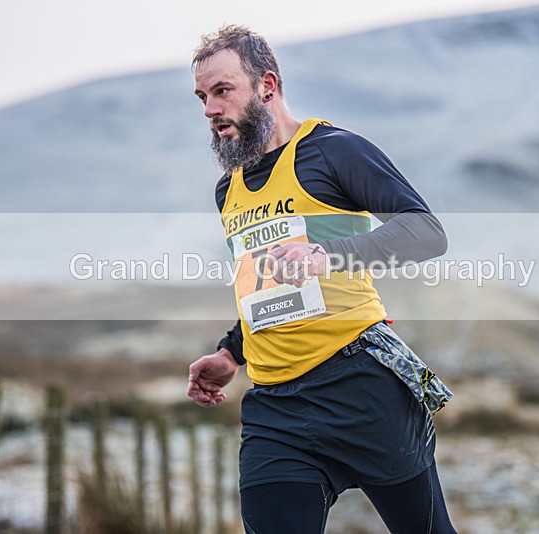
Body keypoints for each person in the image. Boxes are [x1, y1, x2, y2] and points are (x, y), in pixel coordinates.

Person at [186, 25, 457, 533]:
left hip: (362, 388)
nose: (209, 109)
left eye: (222, 91)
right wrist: (230, 353)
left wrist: (328, 256)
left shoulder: (334, 150)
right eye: (202, 97)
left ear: (267, 85)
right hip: (275, 409)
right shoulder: (228, 191)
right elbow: (266, 288)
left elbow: (426, 232)